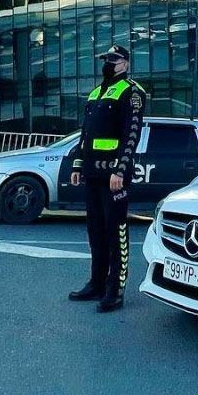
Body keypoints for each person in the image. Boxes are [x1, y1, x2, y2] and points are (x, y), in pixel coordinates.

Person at [68, 44, 146, 313]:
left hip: (113, 175)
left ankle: (115, 291)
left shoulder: (132, 91)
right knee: (96, 232)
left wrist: (120, 170)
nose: (108, 63)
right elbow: (85, 134)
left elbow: (131, 134)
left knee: (116, 232)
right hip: (92, 173)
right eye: (106, 59)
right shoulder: (96, 93)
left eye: (114, 59)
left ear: (125, 63)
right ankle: (97, 284)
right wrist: (78, 164)